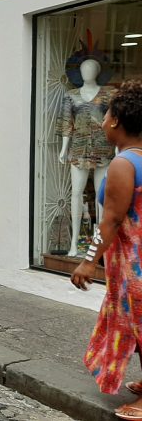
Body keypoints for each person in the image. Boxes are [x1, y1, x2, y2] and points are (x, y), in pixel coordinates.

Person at [71, 80, 142, 420]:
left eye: (106, 113)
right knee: (134, 324)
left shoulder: (122, 164)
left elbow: (110, 222)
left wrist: (88, 263)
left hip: (134, 264)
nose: (102, 121)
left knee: (138, 324)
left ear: (115, 120)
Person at [58, 58, 115, 256]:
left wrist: (116, 147)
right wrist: (64, 148)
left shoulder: (109, 94)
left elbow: (114, 122)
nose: (86, 71)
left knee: (102, 197)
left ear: (97, 71)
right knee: (76, 193)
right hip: (79, 149)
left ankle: (98, 243)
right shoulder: (71, 95)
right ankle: (74, 242)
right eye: (83, 68)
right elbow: (67, 122)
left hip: (103, 148)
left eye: (90, 68)